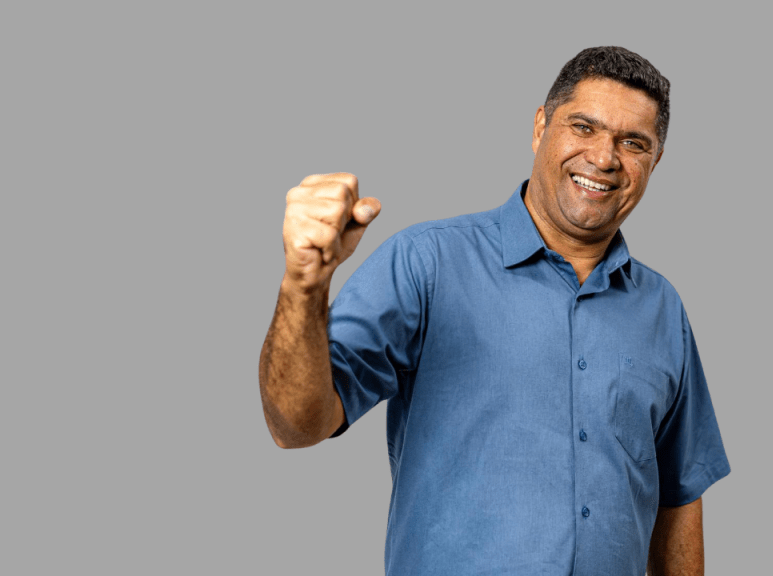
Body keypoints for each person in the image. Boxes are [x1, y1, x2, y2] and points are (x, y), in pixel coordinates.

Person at [259, 46, 730, 576]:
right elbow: (296, 425)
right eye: (584, 127)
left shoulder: (662, 308)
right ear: (540, 126)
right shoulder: (427, 263)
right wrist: (303, 286)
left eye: (633, 143)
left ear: (655, 161)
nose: (604, 158)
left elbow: (679, 492)